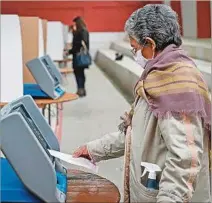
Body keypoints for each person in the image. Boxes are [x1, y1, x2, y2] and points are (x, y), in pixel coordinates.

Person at [73, 4, 211, 203]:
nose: (133, 53)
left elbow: (185, 159)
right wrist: (93, 150)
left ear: (150, 44)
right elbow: (137, 132)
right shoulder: (157, 76)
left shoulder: (178, 84)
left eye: (135, 48)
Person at [66, 16, 89, 97]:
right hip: (83, 56)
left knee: (78, 73)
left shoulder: (78, 32)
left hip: (78, 57)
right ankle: (82, 89)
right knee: (81, 73)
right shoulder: (85, 31)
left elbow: (77, 45)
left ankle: (80, 90)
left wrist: (69, 51)